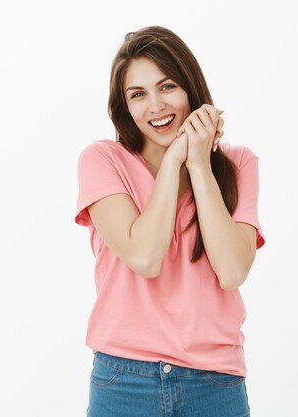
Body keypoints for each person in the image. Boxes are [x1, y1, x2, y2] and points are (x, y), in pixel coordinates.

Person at [74, 26, 265, 417]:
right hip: (123, 381)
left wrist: (198, 164)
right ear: (124, 106)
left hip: (215, 384)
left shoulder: (239, 164)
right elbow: (145, 256)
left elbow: (231, 270)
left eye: (167, 87)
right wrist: (174, 160)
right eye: (138, 94)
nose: (155, 106)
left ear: (190, 90)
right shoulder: (102, 161)